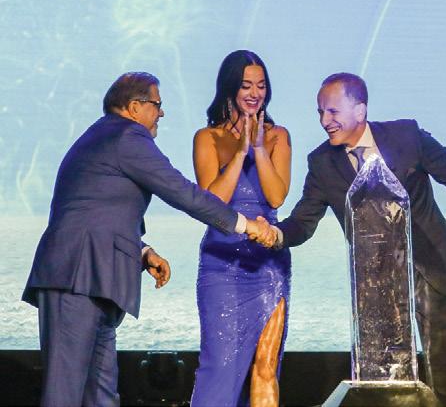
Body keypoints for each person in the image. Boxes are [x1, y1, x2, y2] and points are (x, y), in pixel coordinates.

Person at [22, 72, 276, 407]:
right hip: (76, 279)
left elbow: (96, 210)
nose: (162, 112)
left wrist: (142, 252)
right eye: (157, 104)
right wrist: (245, 225)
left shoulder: (105, 137)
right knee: (64, 395)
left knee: (101, 396)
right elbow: (181, 191)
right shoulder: (127, 136)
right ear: (134, 107)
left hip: (92, 279)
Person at [272, 72, 446, 407]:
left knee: (445, 370)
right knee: (385, 377)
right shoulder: (321, 163)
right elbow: (303, 221)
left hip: (430, 266)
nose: (324, 121)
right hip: (375, 285)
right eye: (320, 112)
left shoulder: (406, 135)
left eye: (332, 111)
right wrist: (276, 234)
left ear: (359, 110)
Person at [190, 51, 292, 407]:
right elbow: (212, 202)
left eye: (261, 86)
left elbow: (276, 196)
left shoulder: (279, 136)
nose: (255, 93)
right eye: (246, 85)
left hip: (267, 264)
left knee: (266, 364)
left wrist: (259, 150)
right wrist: (240, 153)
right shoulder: (207, 137)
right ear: (230, 88)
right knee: (220, 365)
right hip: (222, 263)